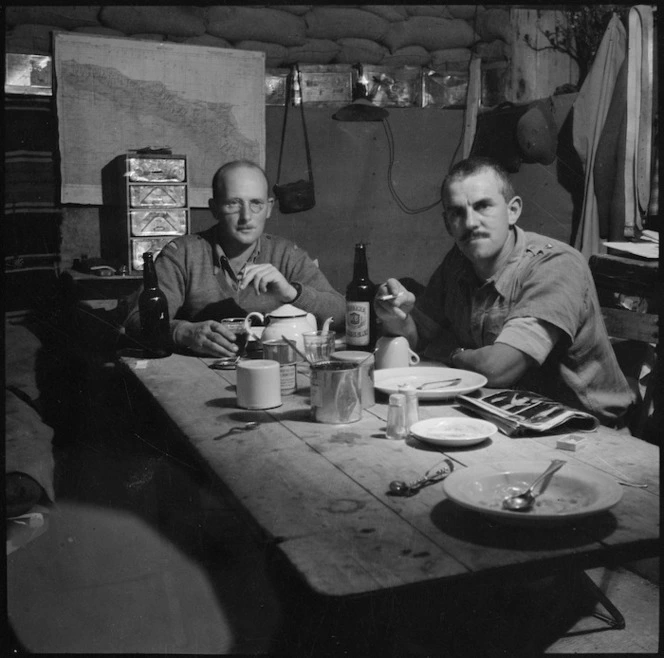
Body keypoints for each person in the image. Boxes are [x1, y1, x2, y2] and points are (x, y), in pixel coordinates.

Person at [375, 156, 635, 426]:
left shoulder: (556, 264)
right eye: (457, 212)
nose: (471, 222)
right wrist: (397, 318)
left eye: (483, 206)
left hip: (588, 429)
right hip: (506, 413)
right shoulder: (458, 261)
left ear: (513, 211)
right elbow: (420, 339)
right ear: (447, 223)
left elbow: (499, 369)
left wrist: (449, 351)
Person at [124, 160, 345, 357]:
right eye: (233, 204)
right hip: (201, 376)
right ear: (214, 208)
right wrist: (182, 332)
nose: (246, 217)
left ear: (268, 208)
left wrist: (292, 292)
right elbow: (136, 321)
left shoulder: (287, 254)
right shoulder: (182, 254)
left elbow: (342, 314)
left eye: (256, 204)